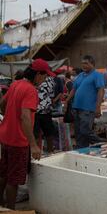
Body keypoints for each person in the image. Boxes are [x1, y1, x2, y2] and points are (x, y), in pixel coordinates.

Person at [0, 59, 52, 209]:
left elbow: (2, 103)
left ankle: (1, 205)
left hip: (5, 137)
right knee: (13, 179)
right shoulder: (30, 90)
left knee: (3, 173)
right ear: (38, 75)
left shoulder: (16, 84)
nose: (45, 80)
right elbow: (25, 117)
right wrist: (34, 145)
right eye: (45, 76)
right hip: (18, 141)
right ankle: (10, 209)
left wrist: (9, 116)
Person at [64, 55, 104, 148]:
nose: (84, 65)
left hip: (88, 109)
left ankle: (102, 144)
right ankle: (81, 150)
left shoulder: (97, 75)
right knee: (78, 133)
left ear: (92, 64)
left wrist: (98, 107)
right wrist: (67, 101)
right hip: (76, 107)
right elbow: (74, 89)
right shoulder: (80, 75)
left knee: (85, 131)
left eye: (86, 63)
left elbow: (101, 91)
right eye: (82, 63)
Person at [33, 74, 56, 153]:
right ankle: (49, 151)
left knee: (38, 133)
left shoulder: (37, 79)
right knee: (48, 133)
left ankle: (36, 153)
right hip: (44, 111)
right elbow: (52, 95)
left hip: (38, 111)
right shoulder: (51, 80)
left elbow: (51, 95)